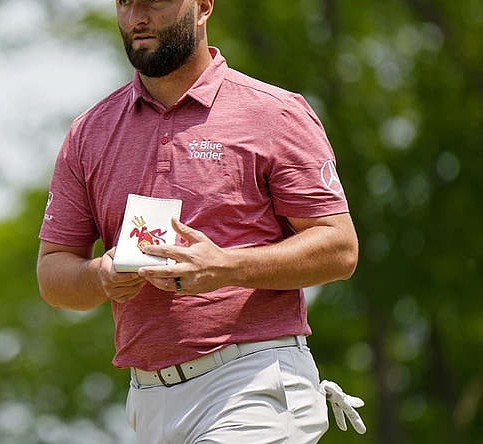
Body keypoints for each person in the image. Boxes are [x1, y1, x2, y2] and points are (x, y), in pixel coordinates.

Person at [37, 0, 364, 442]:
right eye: (125, 2)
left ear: (204, 6)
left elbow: (339, 248)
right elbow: (53, 271)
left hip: (253, 381)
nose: (137, 17)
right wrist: (101, 275)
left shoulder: (276, 112)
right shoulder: (87, 134)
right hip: (146, 402)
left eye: (154, 2)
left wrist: (225, 267)